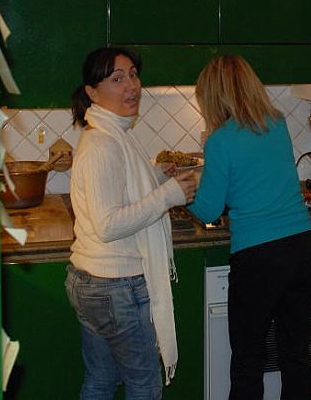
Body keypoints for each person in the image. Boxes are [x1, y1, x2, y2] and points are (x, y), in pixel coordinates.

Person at [66, 47, 198, 400]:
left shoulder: (113, 134)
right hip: (115, 286)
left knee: (101, 382)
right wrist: (167, 195)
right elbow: (108, 224)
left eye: (134, 75)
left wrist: (154, 178)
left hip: (94, 283)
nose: (132, 86)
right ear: (92, 92)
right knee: (144, 386)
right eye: (117, 78)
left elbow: (117, 192)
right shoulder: (103, 144)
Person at [188, 54, 311, 400]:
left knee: (248, 359)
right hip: (302, 247)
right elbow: (258, 180)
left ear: (214, 97)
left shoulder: (220, 140)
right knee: (296, 354)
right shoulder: (276, 123)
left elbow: (208, 209)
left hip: (259, 257)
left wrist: (179, 192)